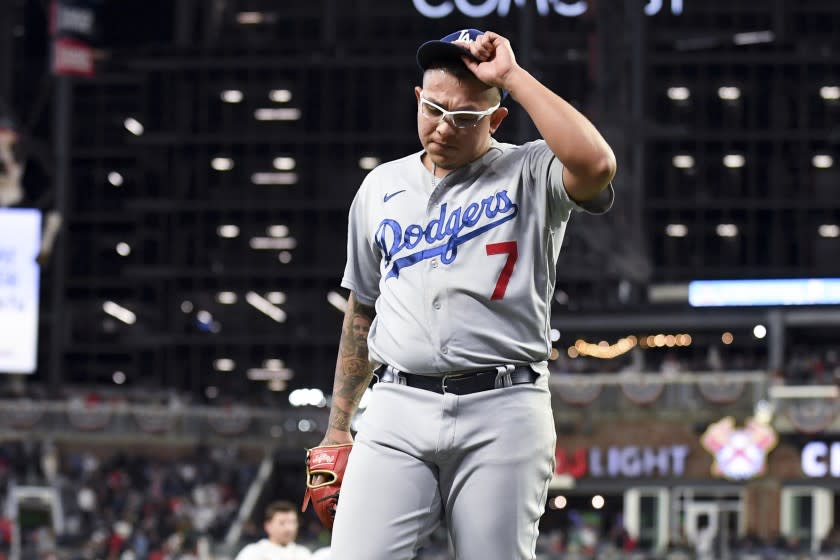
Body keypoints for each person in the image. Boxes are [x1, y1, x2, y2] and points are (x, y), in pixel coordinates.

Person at [317, 28, 616, 559]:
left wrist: (512, 78)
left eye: (465, 116)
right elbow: (363, 310)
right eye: (434, 109)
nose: (444, 126)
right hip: (396, 407)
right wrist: (338, 428)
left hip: (502, 407)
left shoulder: (529, 169)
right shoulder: (380, 187)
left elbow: (596, 166)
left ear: (496, 119)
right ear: (417, 98)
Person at [234, 501, 312, 560]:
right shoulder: (253, 553)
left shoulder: (303, 554)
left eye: (292, 522)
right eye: (282, 523)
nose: (289, 528)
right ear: (268, 526)